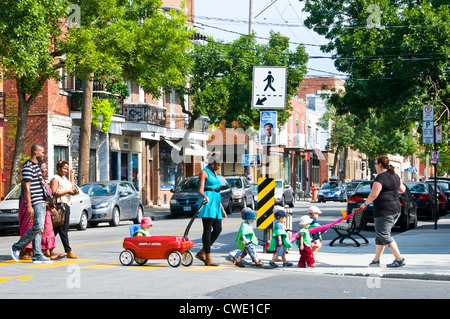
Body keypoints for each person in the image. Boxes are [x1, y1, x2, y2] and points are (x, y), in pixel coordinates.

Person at [360, 156, 406, 268]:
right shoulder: (395, 176)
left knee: (384, 235)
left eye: (376, 164)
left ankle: (399, 259)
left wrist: (365, 204)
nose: (375, 166)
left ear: (380, 165)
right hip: (396, 209)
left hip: (384, 210)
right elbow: (402, 189)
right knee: (380, 235)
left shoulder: (380, 177)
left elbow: (374, 194)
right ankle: (376, 260)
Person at [10, 144, 53, 264]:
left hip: (41, 201)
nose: (43, 155)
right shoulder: (28, 167)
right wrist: (29, 205)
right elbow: (26, 187)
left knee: (39, 229)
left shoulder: (36, 167)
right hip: (35, 201)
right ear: (35, 152)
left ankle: (37, 255)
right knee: (38, 227)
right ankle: (17, 247)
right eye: (42, 152)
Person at [18, 162, 64, 260]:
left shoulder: (44, 181)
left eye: (46, 168)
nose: (46, 170)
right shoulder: (32, 182)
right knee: (32, 229)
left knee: (47, 230)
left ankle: (50, 251)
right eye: (44, 168)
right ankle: (26, 251)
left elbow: (47, 196)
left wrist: (51, 207)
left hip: (45, 210)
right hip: (32, 209)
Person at [197, 152, 227, 266]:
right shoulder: (204, 173)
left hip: (216, 204)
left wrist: (222, 208)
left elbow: (216, 190)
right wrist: (204, 196)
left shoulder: (214, 174)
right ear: (212, 162)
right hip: (208, 204)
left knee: (218, 229)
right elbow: (200, 190)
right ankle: (208, 258)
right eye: (218, 165)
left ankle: (202, 252)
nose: (220, 167)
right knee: (207, 230)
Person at [50, 160, 78, 259]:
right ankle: (68, 250)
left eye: (67, 169)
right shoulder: (55, 178)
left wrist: (71, 176)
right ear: (59, 168)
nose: (65, 170)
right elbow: (54, 192)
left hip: (66, 205)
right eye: (64, 169)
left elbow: (71, 187)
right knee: (63, 229)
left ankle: (47, 248)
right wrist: (67, 192)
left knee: (56, 230)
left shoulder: (64, 178)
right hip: (59, 205)